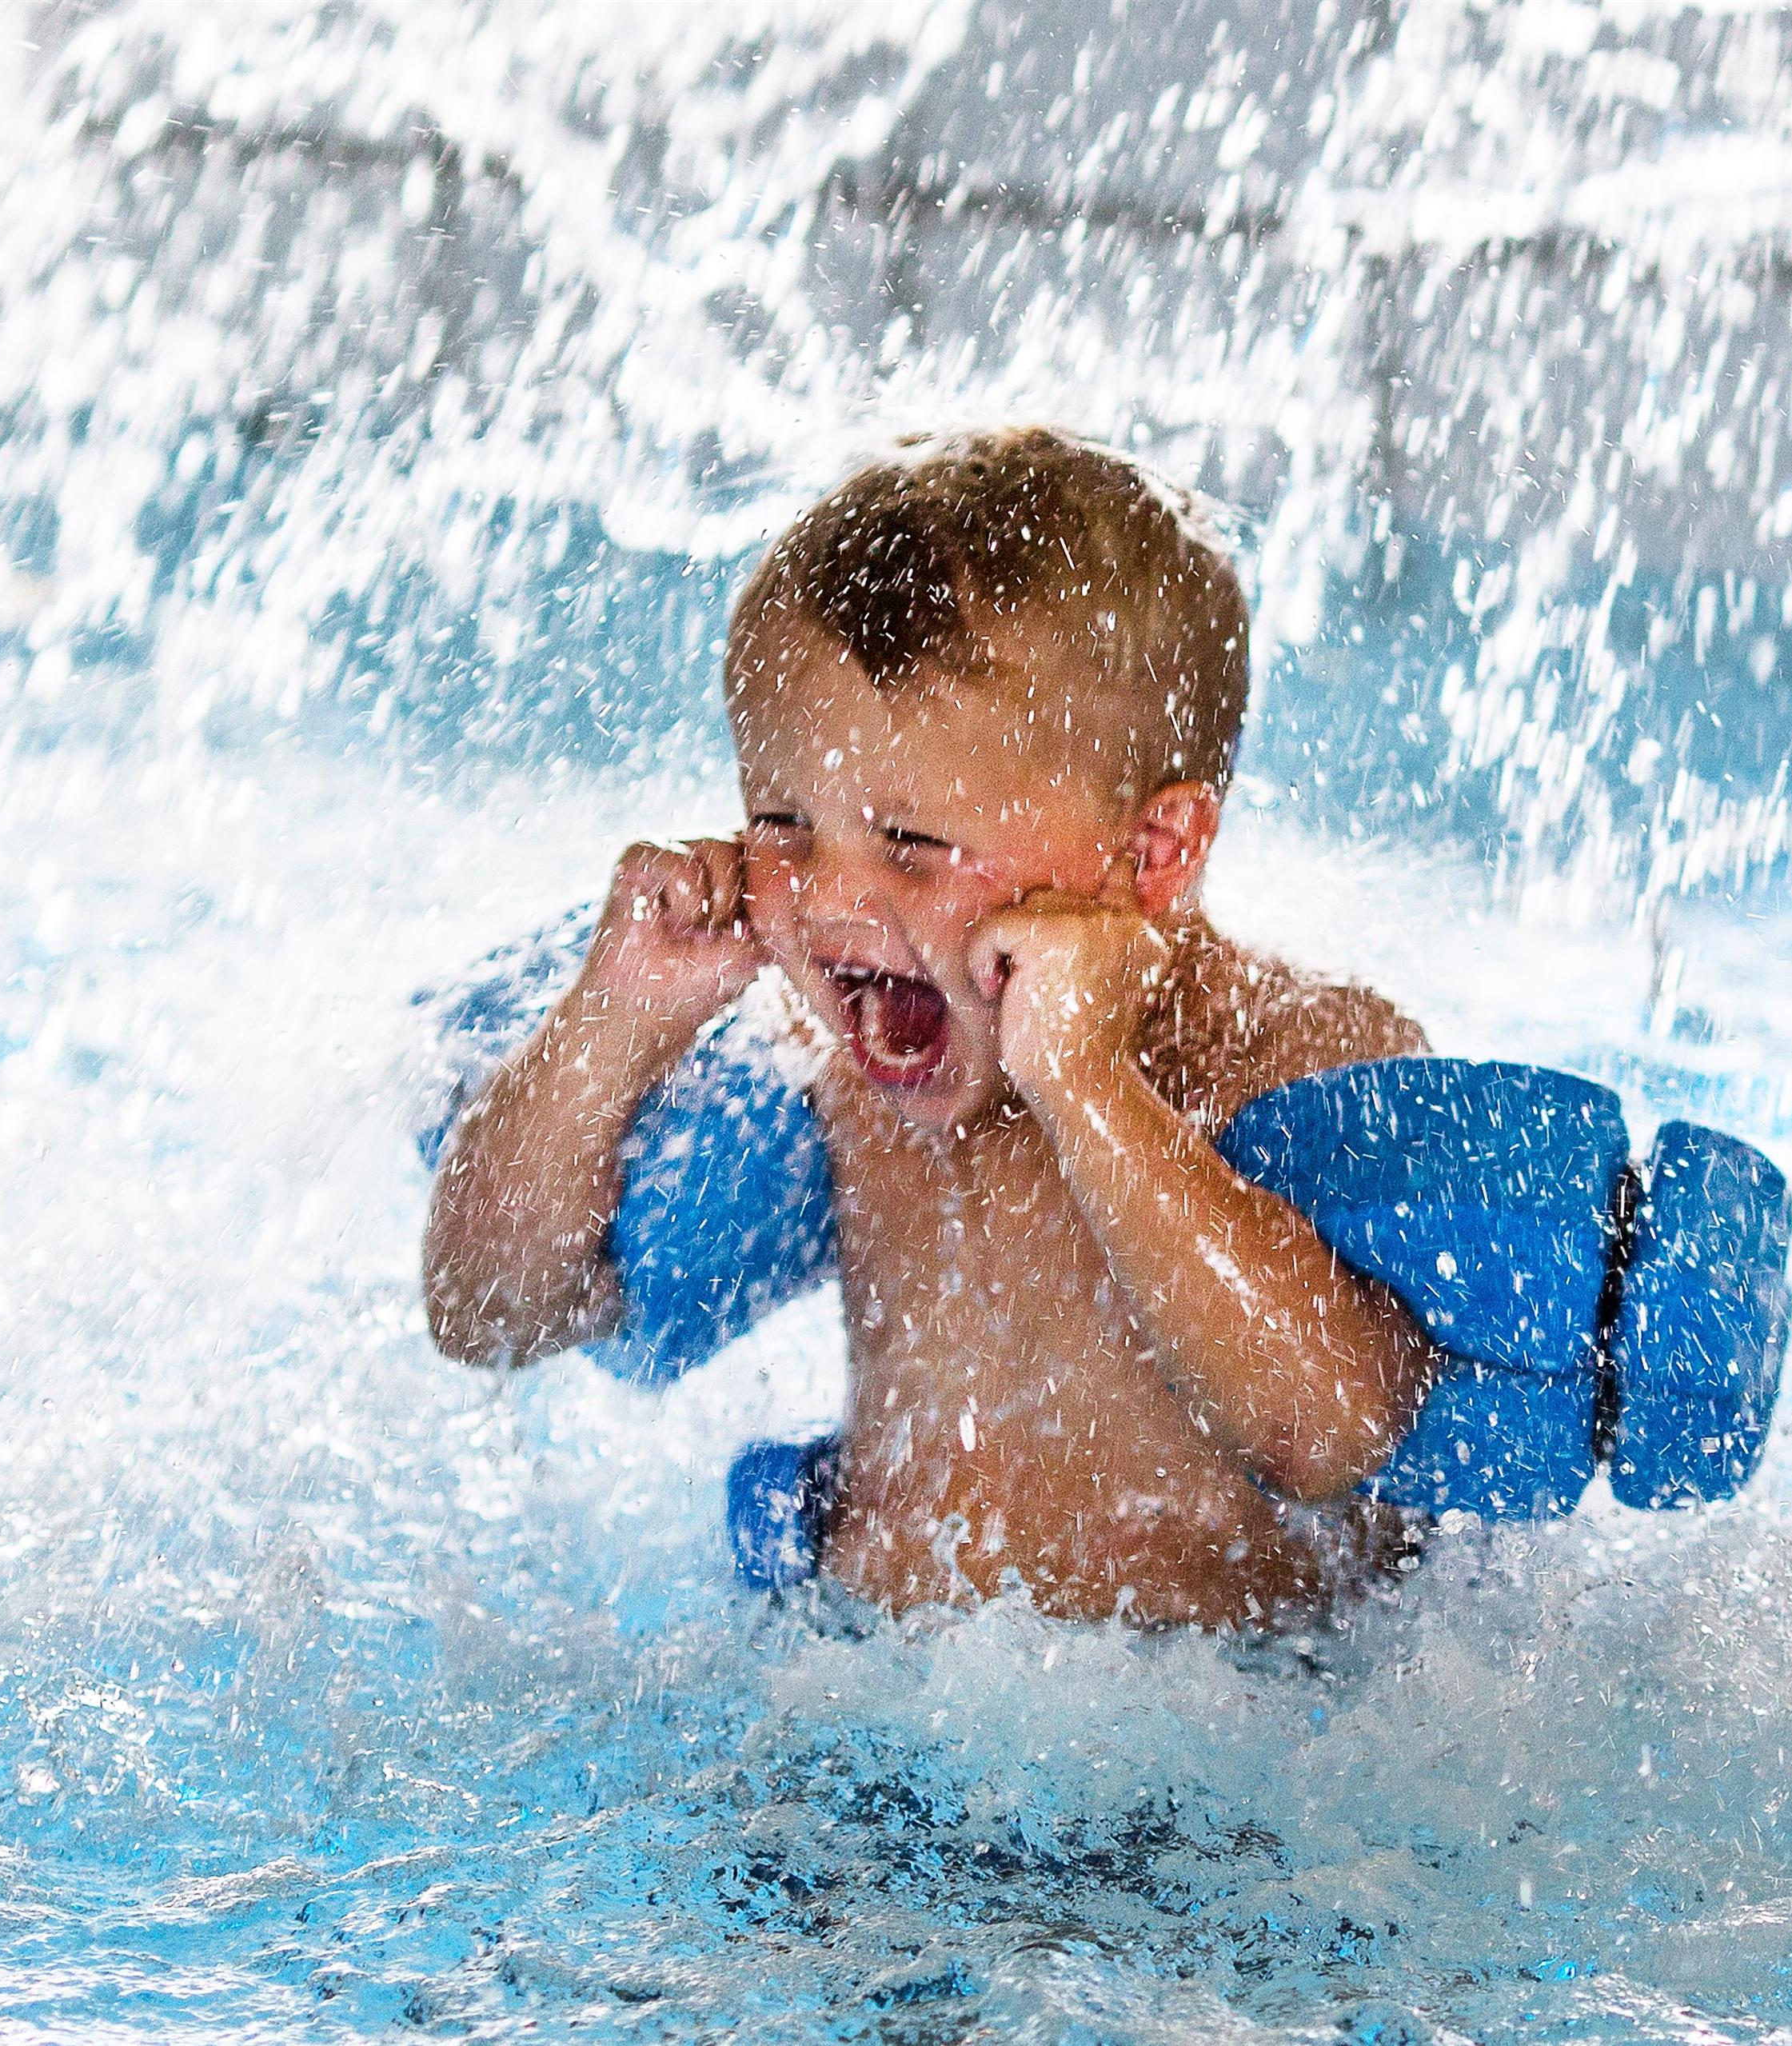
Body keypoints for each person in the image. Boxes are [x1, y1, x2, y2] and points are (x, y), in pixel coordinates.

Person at [421, 426, 1438, 1628]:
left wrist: (1087, 1085)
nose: (831, 898)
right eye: (784, 823)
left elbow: (1325, 1432)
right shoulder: (833, 1074)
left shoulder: (1291, 1049)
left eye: (911, 842)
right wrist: (619, 1018)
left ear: (1153, 851)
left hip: (1226, 1713)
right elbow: (486, 1315)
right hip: (869, 1679)